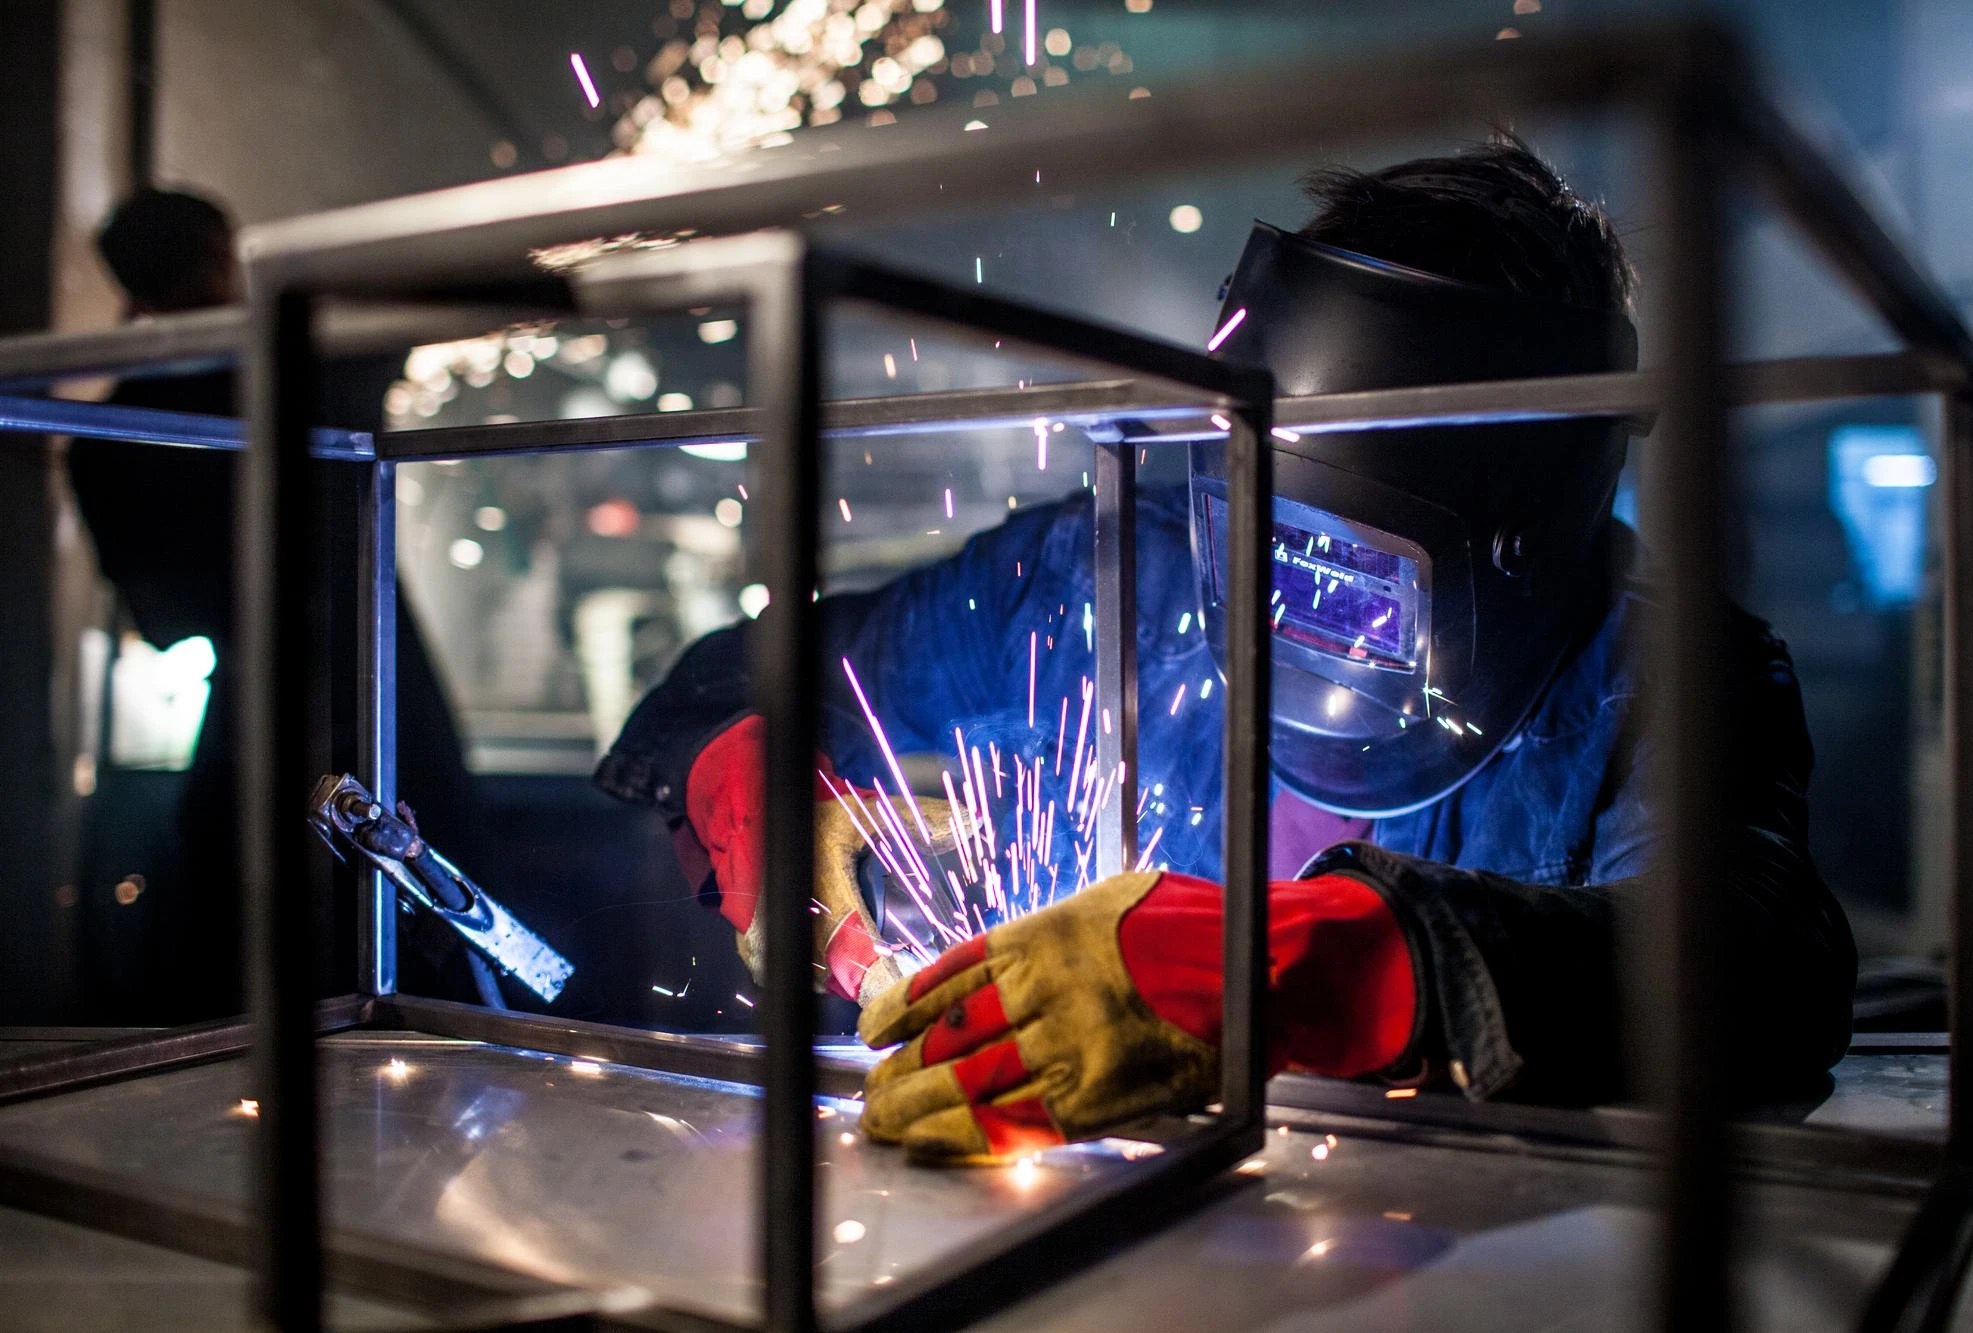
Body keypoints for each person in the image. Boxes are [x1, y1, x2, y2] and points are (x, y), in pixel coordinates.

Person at [596, 138, 1857, 1162]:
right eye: (1248, 529)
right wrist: (746, 765)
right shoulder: (1103, 572)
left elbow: (1766, 965)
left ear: (1512, 538)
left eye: (1345, 569)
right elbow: (752, 666)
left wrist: (1325, 967)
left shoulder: (1659, 678)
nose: (1272, 599)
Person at [68, 189, 478, 1019]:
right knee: (432, 952)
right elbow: (410, 314)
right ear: (223, 254)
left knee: (240, 967)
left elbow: (167, 623)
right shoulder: (307, 367)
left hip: (252, 720)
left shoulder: (110, 438)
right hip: (380, 692)